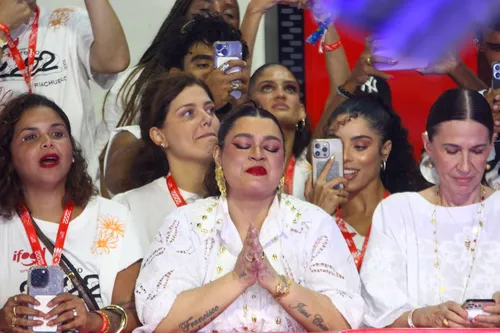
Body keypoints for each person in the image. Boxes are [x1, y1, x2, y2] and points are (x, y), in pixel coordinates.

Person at [134, 103, 363, 332]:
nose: (258, 155)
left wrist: (276, 283)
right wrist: (237, 279)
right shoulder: (186, 223)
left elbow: (342, 323)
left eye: (271, 148)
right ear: (218, 155)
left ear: (282, 162)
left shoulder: (313, 223)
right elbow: (160, 324)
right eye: (243, 146)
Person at [0, 94, 143, 332]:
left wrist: (92, 321)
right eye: (31, 137)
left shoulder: (113, 218)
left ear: (72, 150)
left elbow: (136, 316)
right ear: (8, 157)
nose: (47, 142)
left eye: (57, 134)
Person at [361, 88, 500, 328]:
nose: (465, 166)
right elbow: (377, 315)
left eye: (477, 151)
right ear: (428, 145)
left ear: (491, 146)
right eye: (452, 151)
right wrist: (421, 317)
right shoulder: (399, 212)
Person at [102, 13, 249, 197]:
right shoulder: (133, 137)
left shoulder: (246, 138)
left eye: (225, 66)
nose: (216, 75)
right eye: (203, 65)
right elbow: (119, 180)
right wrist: (206, 98)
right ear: (175, 75)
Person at [0, 0, 130, 184]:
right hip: (6, 188)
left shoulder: (67, 21)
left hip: (74, 186)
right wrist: (2, 28)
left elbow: (115, 61)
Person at [306, 94, 425, 271]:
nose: (345, 157)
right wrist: (318, 216)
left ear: (385, 150)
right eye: (337, 145)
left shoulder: (409, 213)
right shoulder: (312, 216)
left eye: (360, 146)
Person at [112, 72, 219, 249]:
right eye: (188, 113)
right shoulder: (129, 208)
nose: (207, 118)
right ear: (159, 136)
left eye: (210, 110)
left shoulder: (241, 196)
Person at [248, 64, 312, 200]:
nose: (281, 95)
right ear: (248, 105)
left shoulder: (313, 165)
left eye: (290, 88)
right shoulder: (233, 165)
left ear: (302, 111)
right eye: (267, 88)